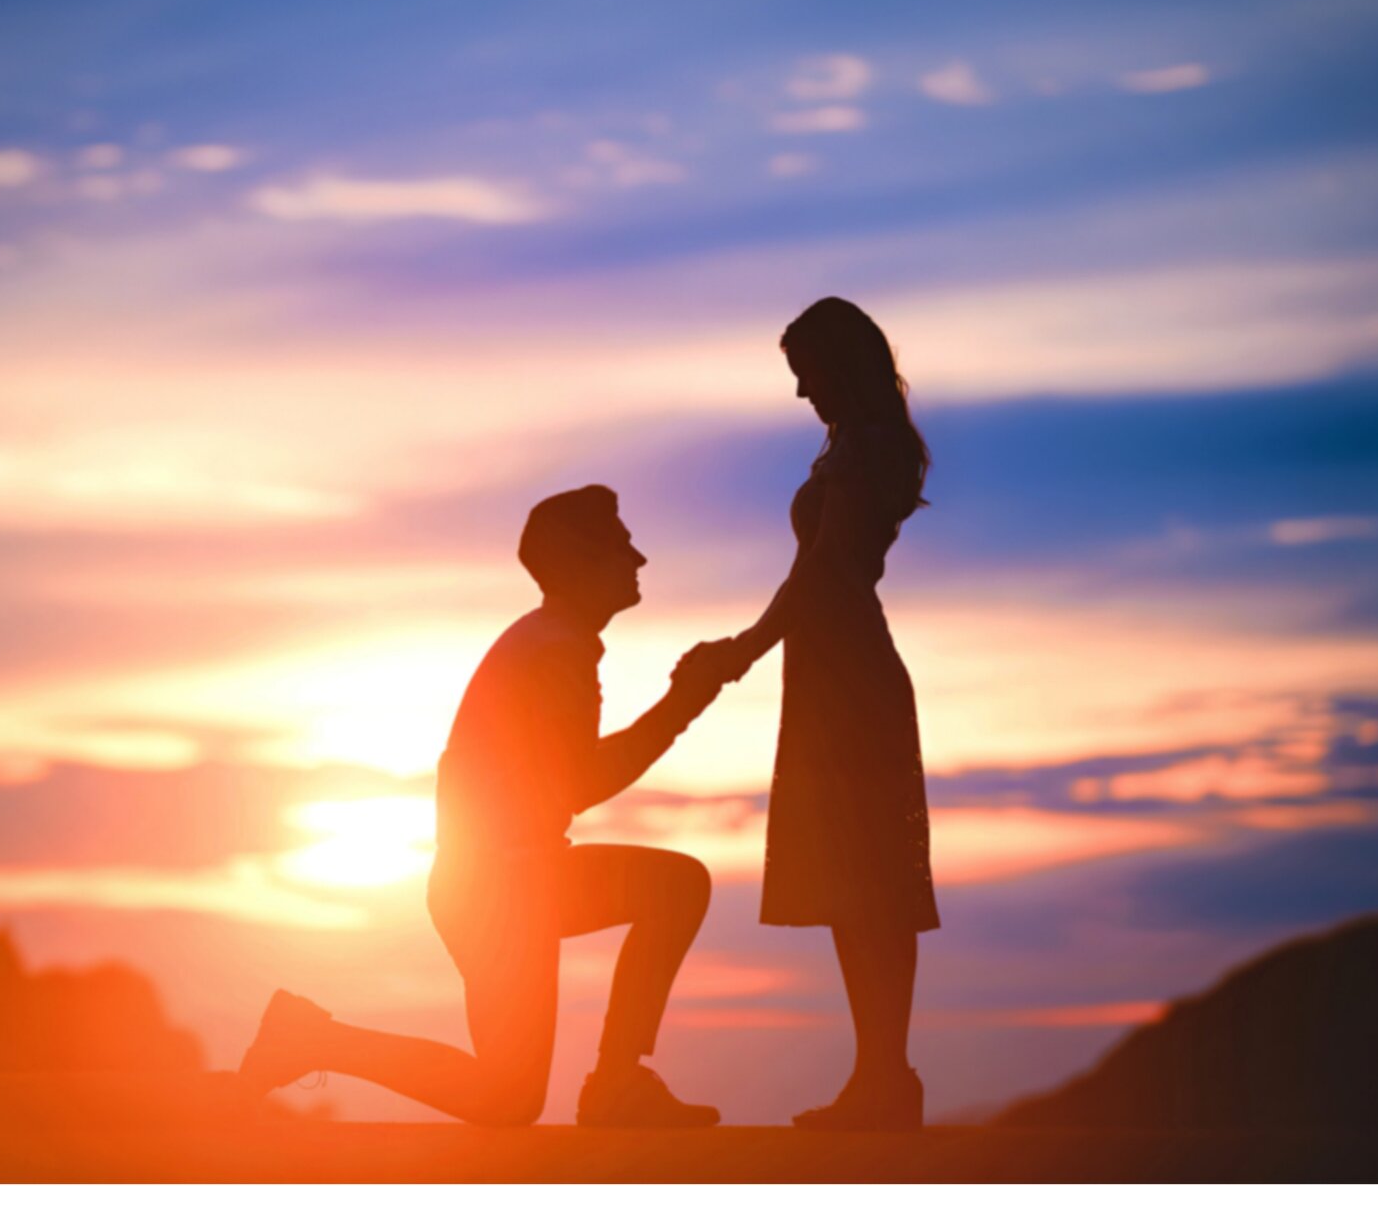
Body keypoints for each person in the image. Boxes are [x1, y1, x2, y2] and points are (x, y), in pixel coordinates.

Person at [237, 486, 727, 1127]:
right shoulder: (554, 649)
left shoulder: (554, 642)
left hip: (513, 882)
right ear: (580, 564)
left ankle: (615, 1081)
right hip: (503, 887)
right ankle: (615, 1083)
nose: (638, 557)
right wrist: (681, 705)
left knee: (509, 1096)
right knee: (673, 890)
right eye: (619, 546)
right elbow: (579, 783)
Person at [706, 297, 941, 1130]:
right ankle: (878, 1077)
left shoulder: (868, 448)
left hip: (849, 680)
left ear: (842, 364)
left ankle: (885, 1078)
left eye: (807, 372)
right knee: (852, 885)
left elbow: (822, 574)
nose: (802, 392)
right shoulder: (850, 445)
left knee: (870, 881)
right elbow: (817, 574)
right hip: (826, 674)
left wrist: (740, 648)